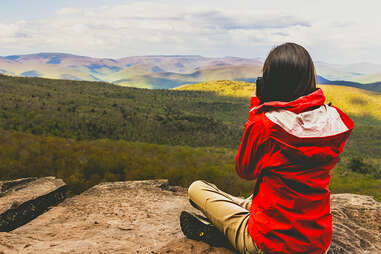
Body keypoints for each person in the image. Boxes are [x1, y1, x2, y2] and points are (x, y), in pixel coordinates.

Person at [179, 42, 354, 254]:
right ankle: (231, 226)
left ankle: (226, 233)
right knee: (256, 199)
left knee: (197, 189)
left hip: (269, 244)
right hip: (317, 244)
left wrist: (257, 109)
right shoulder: (331, 120)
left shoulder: (266, 124)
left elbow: (245, 170)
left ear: (271, 82)